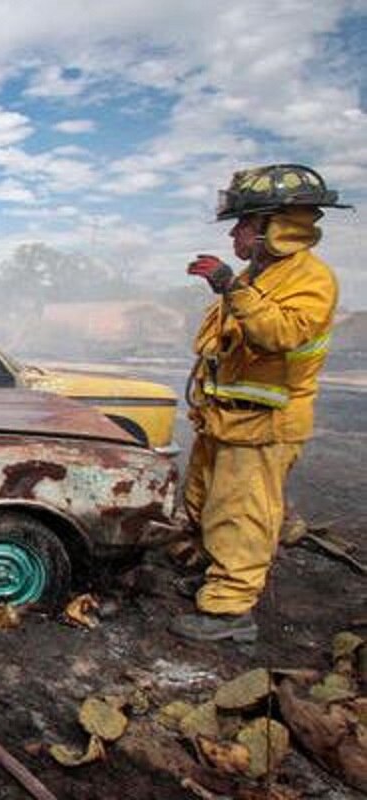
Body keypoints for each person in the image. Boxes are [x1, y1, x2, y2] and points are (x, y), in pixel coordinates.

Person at [171, 164, 348, 643]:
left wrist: (232, 288)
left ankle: (230, 613)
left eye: (244, 223)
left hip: (265, 425)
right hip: (227, 421)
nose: (234, 232)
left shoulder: (311, 279)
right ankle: (219, 579)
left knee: (242, 514)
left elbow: (281, 333)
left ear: (277, 226)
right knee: (208, 503)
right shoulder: (260, 275)